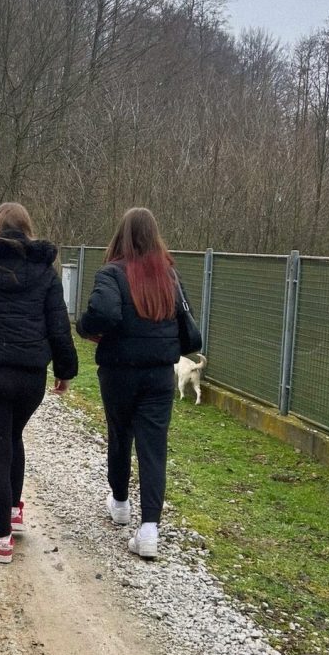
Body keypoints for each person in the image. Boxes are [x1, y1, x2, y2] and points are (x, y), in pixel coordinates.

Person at [76, 207, 201, 560]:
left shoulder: (111, 273)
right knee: (153, 447)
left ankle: (120, 504)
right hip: (160, 373)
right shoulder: (169, 275)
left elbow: (103, 313)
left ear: (122, 235)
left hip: (119, 372)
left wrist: (85, 328)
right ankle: (149, 530)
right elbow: (186, 322)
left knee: (120, 435)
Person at [0, 203, 78, 564]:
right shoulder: (45, 269)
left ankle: (2, 538)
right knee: (14, 436)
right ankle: (12, 511)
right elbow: (58, 323)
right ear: (28, 227)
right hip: (30, 376)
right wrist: (65, 369)